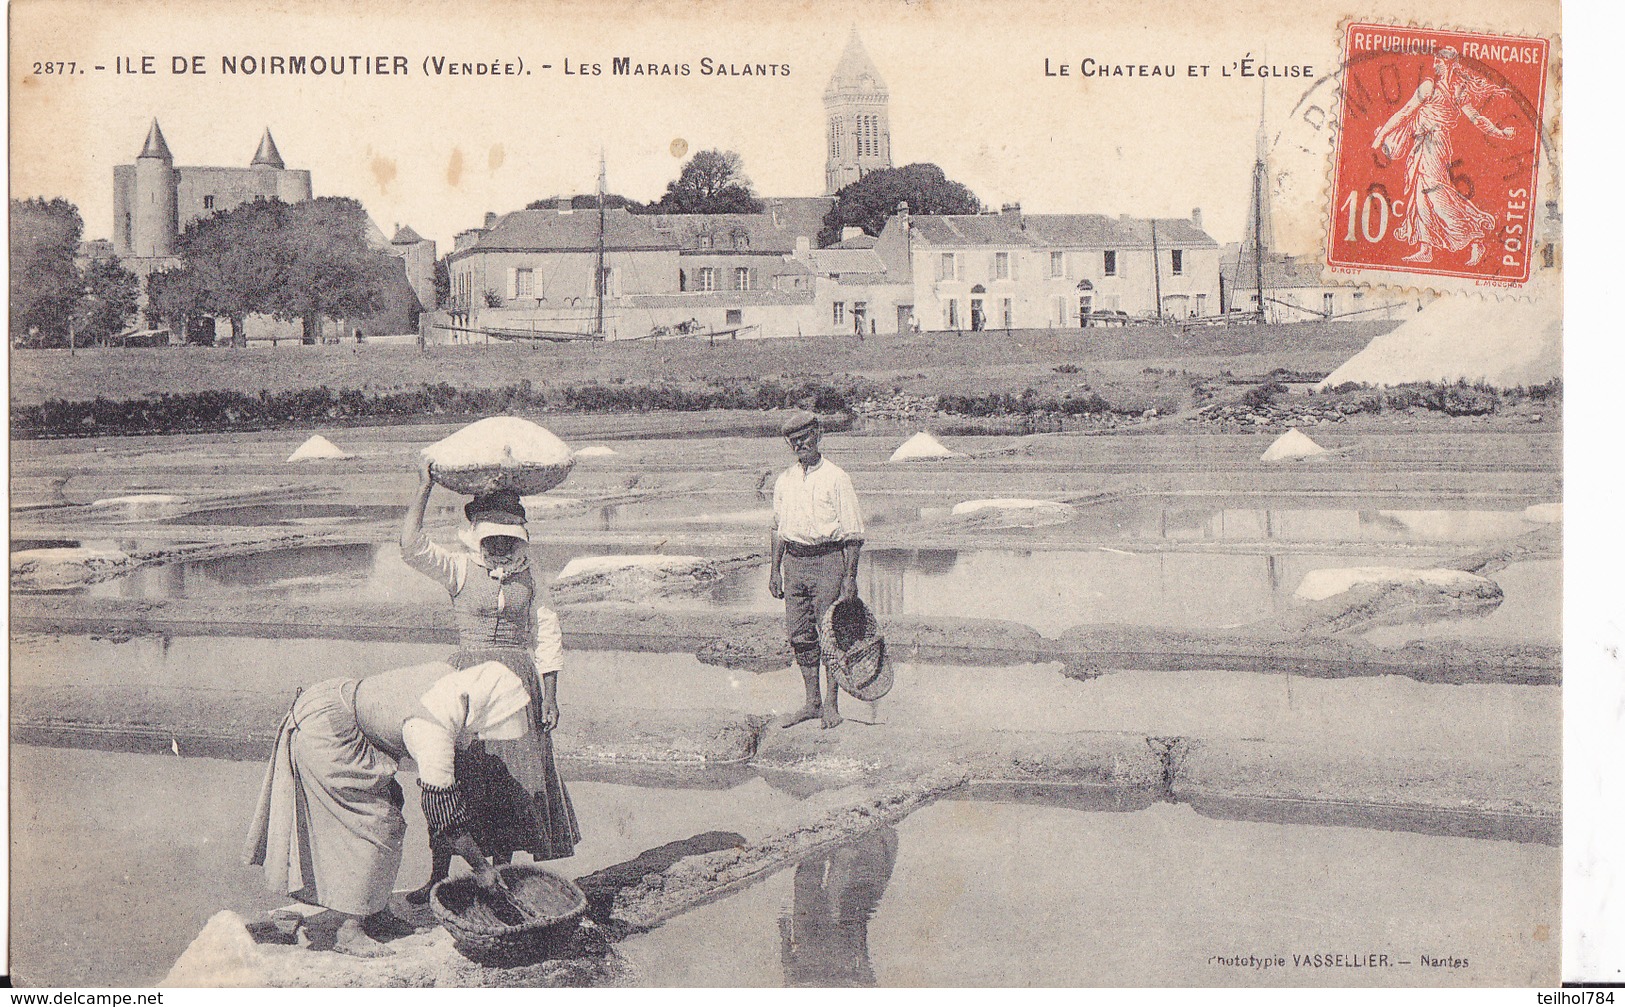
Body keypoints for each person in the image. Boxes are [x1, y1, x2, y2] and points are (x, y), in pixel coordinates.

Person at [244, 659, 533, 958]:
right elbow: (444, 816)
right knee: (376, 822)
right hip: (328, 729)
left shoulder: (449, 678)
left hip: (339, 704)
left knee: (392, 803)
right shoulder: (431, 729)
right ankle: (349, 930)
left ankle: (374, 911)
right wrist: (483, 868)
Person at [397, 460, 580, 896]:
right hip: (466, 683)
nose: (499, 543)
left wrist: (550, 697)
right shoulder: (459, 568)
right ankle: (438, 875)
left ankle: (503, 875)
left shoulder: (532, 576)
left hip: (518, 687)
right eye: (491, 536)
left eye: (507, 536)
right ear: (478, 533)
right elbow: (411, 547)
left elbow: (549, 635)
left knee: (512, 781)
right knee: (453, 777)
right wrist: (424, 489)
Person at [1372, 46, 1517, 267]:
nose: (1435, 65)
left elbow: (1476, 119)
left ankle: (1475, 237)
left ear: (1448, 63)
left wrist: (1500, 133)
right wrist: (1382, 135)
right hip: (1422, 144)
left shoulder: (1450, 90)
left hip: (1435, 145)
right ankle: (1425, 248)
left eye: (1438, 62)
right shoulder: (1436, 87)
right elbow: (1405, 112)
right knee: (1421, 194)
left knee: (1436, 194)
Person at [768, 411, 865, 729]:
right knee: (800, 635)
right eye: (793, 441)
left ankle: (831, 707)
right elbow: (777, 529)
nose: (800, 445)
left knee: (830, 636)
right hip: (794, 563)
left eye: (805, 438)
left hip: (827, 562)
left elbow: (852, 535)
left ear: (818, 435)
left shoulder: (837, 477)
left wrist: (849, 578)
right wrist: (775, 570)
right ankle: (811, 703)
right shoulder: (785, 480)